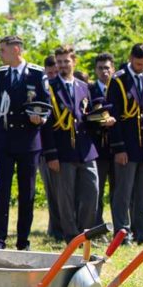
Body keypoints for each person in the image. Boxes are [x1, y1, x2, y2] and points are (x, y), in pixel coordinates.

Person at [0, 35, 49, 250]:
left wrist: (40, 119)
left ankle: (23, 240)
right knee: (2, 192)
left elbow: (47, 106)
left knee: (27, 193)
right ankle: (0, 239)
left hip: (29, 142)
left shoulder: (37, 74)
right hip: (5, 141)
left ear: (16, 50)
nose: (0, 54)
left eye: (3, 50)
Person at [41, 45, 98, 241]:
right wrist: (51, 154)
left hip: (86, 149)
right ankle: (72, 236)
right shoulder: (49, 87)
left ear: (74, 62)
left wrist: (103, 122)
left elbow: (87, 116)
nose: (63, 65)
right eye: (59, 62)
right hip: (62, 150)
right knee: (65, 198)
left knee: (92, 192)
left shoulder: (83, 87)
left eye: (66, 61)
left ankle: (85, 232)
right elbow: (46, 125)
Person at [107, 43, 143, 243]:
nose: (141, 67)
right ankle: (122, 233)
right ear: (130, 58)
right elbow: (113, 115)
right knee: (123, 193)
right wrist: (118, 148)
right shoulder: (118, 80)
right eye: (138, 63)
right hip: (127, 145)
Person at [88, 52, 116, 226]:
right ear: (95, 70)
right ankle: (97, 225)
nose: (104, 71)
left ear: (113, 69)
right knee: (95, 190)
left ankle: (119, 227)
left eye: (107, 67)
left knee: (119, 191)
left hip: (117, 148)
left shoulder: (119, 88)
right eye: (100, 68)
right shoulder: (89, 90)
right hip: (97, 148)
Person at [38, 54, 64, 242]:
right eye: (50, 73)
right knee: (52, 191)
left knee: (63, 192)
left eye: (56, 72)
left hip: (63, 149)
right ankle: (54, 228)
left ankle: (60, 226)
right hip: (44, 150)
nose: (54, 75)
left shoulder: (62, 88)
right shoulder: (43, 88)